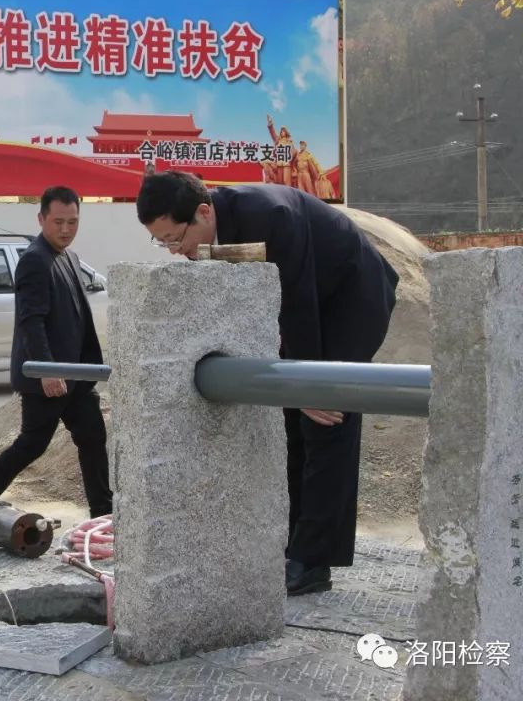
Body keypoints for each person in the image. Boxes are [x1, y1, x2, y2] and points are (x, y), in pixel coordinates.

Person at [137, 172, 398, 596]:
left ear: (203, 213)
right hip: (304, 309)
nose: (175, 251)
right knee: (292, 421)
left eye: (174, 238)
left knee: (327, 418)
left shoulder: (271, 217)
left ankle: (314, 562)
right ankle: (294, 543)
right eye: (161, 242)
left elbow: (299, 305)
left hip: (349, 299)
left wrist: (307, 385)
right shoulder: (210, 229)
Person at [0, 187, 113, 519]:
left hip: (75, 375)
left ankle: (103, 514)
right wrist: (46, 369)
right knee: (32, 444)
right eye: (58, 221)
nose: (65, 229)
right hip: (49, 376)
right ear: (41, 219)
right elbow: (31, 320)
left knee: (92, 437)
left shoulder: (69, 257)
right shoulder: (35, 259)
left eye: (72, 222)